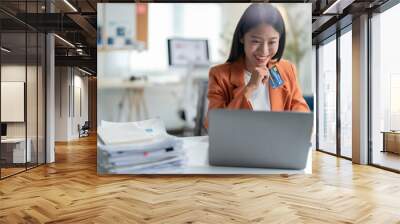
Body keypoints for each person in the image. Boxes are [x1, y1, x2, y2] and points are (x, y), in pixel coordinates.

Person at [205, 3, 309, 128]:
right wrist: (250, 88)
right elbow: (213, 125)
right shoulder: (219, 75)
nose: (264, 51)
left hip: (277, 145)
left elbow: (301, 112)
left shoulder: (286, 69)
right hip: (238, 146)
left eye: (272, 42)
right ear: (242, 37)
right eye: (255, 41)